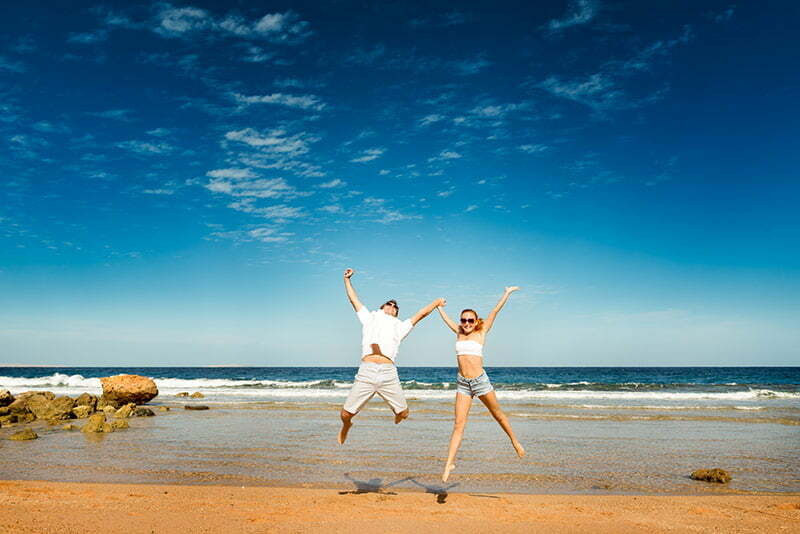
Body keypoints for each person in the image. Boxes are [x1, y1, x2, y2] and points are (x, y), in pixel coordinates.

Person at [339, 268, 443, 445]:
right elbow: (354, 300)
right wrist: (347, 280)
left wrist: (436, 302)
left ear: (396, 313)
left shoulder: (400, 326)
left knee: (404, 413)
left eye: (396, 307)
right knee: (345, 413)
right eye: (389, 304)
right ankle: (347, 425)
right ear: (382, 307)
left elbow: (420, 314)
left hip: (388, 373)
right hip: (367, 371)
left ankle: (398, 414)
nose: (392, 307)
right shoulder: (370, 317)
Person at [436, 287, 526, 482]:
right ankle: (449, 463)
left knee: (498, 415)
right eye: (463, 320)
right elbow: (446, 321)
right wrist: (438, 307)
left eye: (470, 320)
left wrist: (506, 293)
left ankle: (514, 441)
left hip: (481, 382)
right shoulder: (458, 332)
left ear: (476, 322)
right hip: (462, 384)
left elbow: (494, 311)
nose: (466, 323)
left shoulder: (481, 332)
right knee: (458, 425)